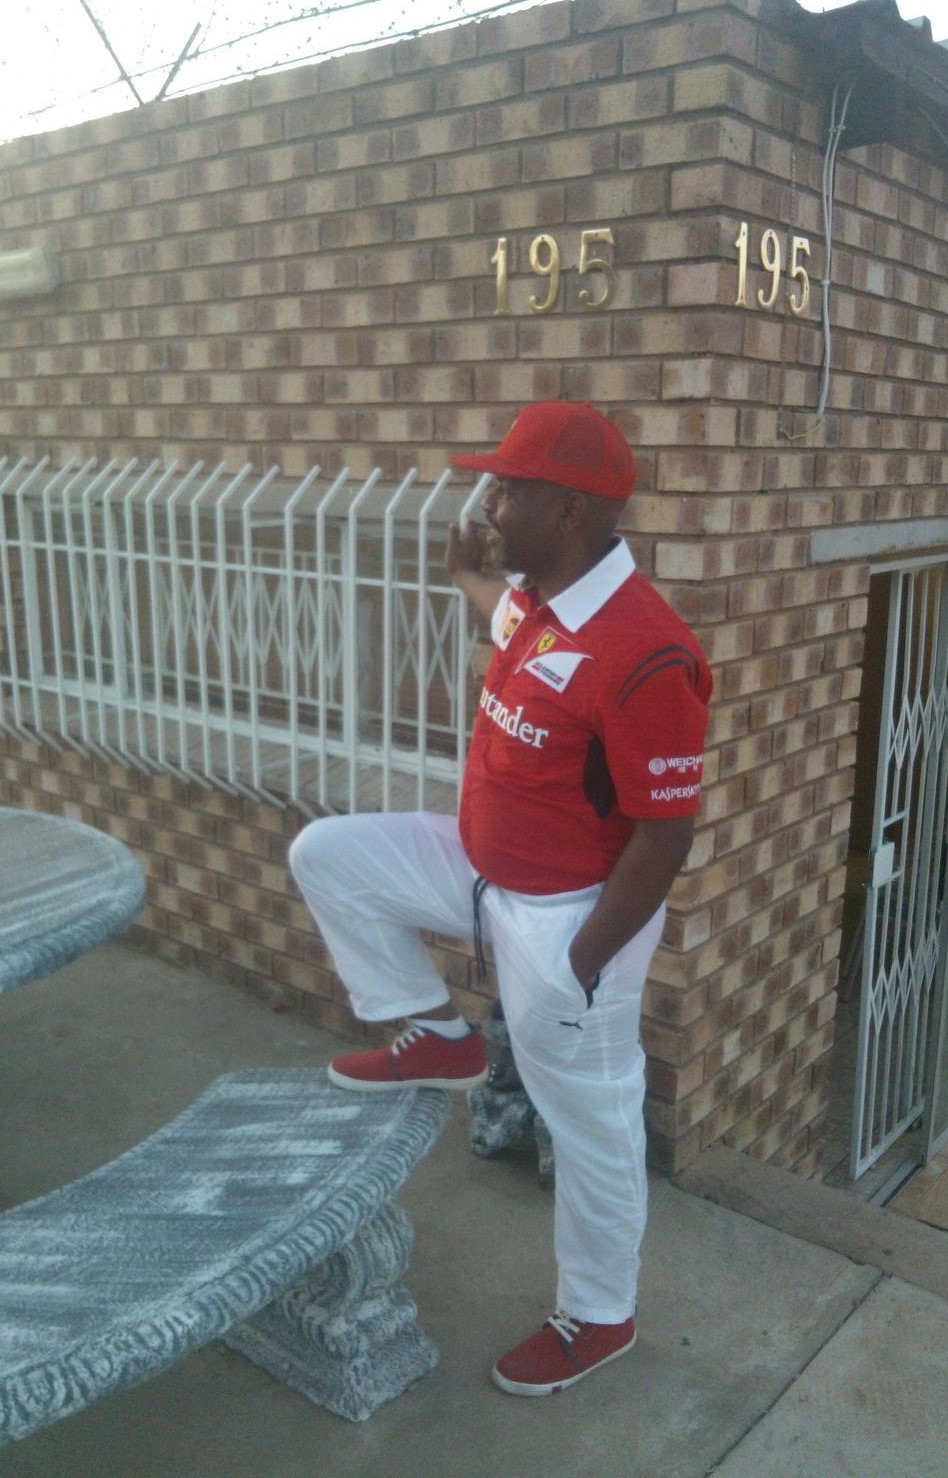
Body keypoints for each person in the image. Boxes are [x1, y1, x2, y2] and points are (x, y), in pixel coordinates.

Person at [289, 401, 711, 1396]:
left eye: (508, 489)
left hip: (568, 917)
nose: (487, 501)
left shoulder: (646, 651)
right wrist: (464, 574)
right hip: (481, 870)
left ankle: (599, 1313)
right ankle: (439, 1035)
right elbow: (498, 610)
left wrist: (579, 965)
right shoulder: (537, 598)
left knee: (591, 1124)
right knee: (328, 854)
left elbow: (665, 833)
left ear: (568, 511)